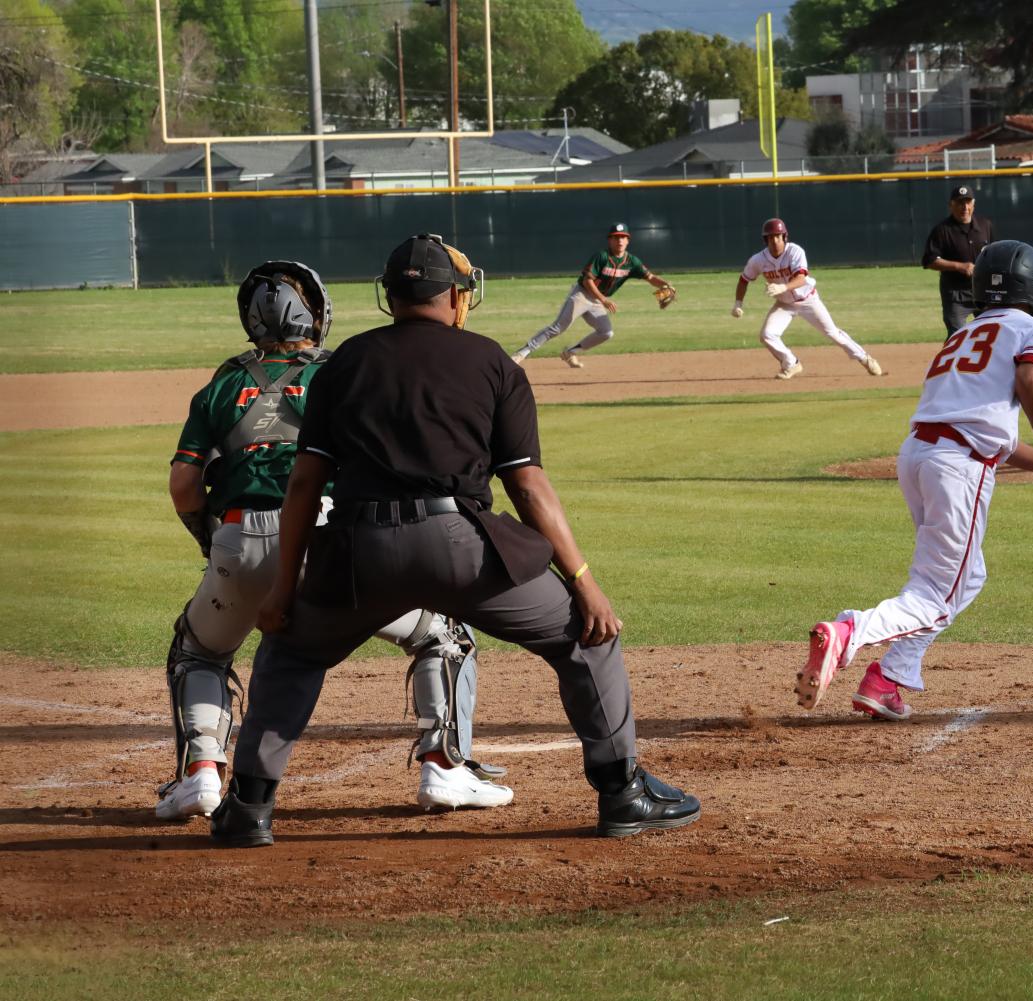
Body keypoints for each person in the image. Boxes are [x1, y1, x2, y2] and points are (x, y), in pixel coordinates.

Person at [211, 234, 699, 847]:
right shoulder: (492, 362)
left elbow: (305, 483)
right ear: (453, 295)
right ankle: (621, 793)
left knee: (292, 653)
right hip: (461, 548)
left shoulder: (344, 365)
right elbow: (528, 487)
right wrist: (585, 583)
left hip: (361, 553)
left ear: (389, 296)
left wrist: (284, 590)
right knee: (585, 634)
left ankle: (250, 808)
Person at [158, 261, 512, 823]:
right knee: (440, 635)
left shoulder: (221, 383)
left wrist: (212, 537)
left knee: (199, 651)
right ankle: (444, 766)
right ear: (317, 315)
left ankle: (201, 777)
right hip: (327, 545)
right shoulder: (343, 371)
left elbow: (183, 485)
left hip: (236, 537)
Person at [795, 240, 1033, 721]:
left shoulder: (962, 336)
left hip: (919, 456)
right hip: (957, 468)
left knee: (964, 578)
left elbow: (985, 431)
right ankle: (849, 632)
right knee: (934, 596)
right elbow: (1030, 381)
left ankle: (888, 679)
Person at [731, 217, 884, 380]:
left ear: (784, 237)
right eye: (770, 237)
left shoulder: (795, 251)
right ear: (765, 239)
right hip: (784, 304)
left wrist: (783, 287)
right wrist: (738, 303)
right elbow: (744, 280)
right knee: (767, 335)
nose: (775, 240)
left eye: (778, 236)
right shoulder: (758, 260)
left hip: (808, 300)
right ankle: (791, 363)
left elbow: (801, 278)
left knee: (832, 333)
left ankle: (864, 358)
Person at [510, 222, 676, 367]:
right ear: (609, 240)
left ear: (628, 240)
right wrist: (603, 300)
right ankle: (522, 353)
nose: (619, 241)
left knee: (606, 332)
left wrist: (667, 285)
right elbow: (588, 281)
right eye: (615, 237)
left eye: (623, 237)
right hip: (582, 295)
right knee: (559, 328)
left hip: (598, 301)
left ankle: (570, 352)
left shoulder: (632, 262)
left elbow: (651, 278)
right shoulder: (601, 256)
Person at [922, 184, 996, 335]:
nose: (964, 207)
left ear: (973, 204)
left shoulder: (985, 226)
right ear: (951, 205)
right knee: (957, 336)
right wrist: (959, 266)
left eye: (968, 202)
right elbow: (929, 260)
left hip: (983, 291)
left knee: (991, 333)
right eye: (960, 203)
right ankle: (949, 359)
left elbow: (995, 254)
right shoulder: (942, 230)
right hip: (955, 295)